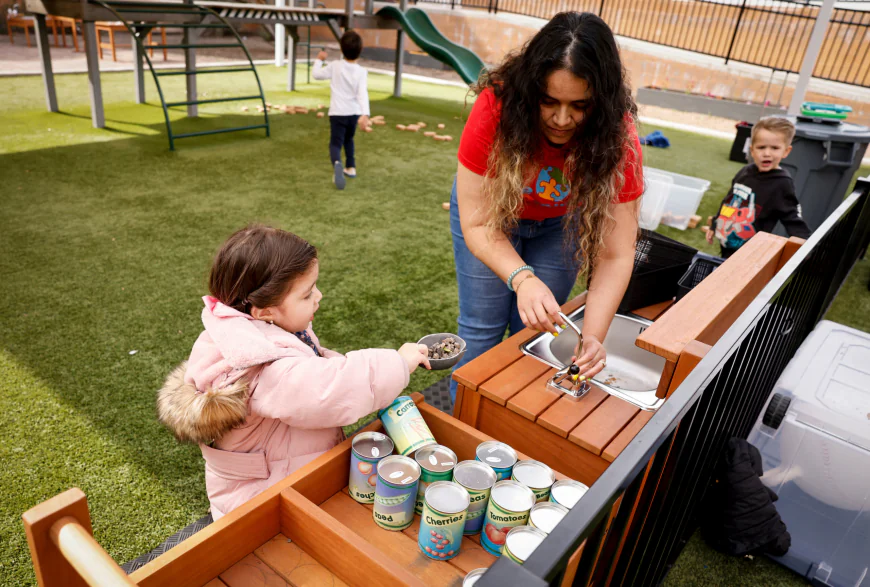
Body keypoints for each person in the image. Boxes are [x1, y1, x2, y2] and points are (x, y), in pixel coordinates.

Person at [157, 225, 430, 519]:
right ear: (265, 311)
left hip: (275, 474)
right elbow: (328, 389)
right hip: (263, 503)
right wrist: (399, 363)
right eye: (307, 294)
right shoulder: (264, 368)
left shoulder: (239, 330)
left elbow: (314, 368)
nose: (319, 296)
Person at [450, 12, 644, 404]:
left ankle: (503, 424)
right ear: (530, 90)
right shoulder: (495, 107)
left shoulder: (619, 138)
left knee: (535, 333)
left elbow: (617, 254)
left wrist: (592, 335)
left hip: (558, 225)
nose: (561, 119)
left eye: (579, 106)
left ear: (601, 102)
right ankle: (460, 423)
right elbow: (479, 224)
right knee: (480, 330)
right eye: (548, 101)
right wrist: (522, 278)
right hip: (491, 219)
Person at [707, 117, 810, 257]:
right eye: (761, 147)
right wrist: (715, 223)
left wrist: (804, 242)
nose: (767, 153)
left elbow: (791, 216)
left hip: (750, 253)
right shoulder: (744, 172)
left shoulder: (781, 182)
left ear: (786, 151)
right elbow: (728, 200)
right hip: (728, 242)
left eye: (774, 148)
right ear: (752, 150)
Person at [313, 30, 371, 190]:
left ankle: (337, 163)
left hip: (337, 113)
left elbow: (317, 75)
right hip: (354, 113)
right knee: (349, 140)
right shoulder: (361, 71)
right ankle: (351, 167)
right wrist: (365, 114)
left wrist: (319, 60)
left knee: (336, 143)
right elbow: (362, 93)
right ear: (360, 51)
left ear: (341, 49)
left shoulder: (335, 66)